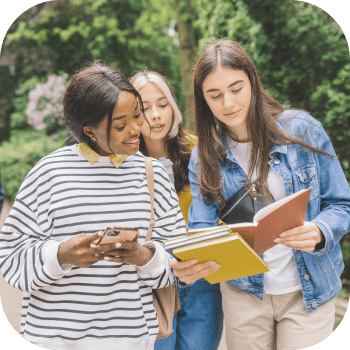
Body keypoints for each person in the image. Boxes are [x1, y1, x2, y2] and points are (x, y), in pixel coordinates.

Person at [176, 39, 350, 350]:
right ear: (203, 100)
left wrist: (320, 230)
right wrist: (193, 260)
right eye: (215, 95)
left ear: (253, 83)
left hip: (309, 289)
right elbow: (200, 229)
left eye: (236, 89)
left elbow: (341, 204)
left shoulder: (303, 130)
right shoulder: (204, 157)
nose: (228, 103)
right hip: (245, 294)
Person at [0, 62, 186, 350]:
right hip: (54, 340)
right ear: (89, 129)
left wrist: (141, 255)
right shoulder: (49, 173)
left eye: (137, 116)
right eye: (121, 125)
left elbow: (177, 260)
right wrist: (61, 255)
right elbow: (10, 257)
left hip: (131, 341)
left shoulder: (153, 175)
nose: (137, 129)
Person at [129, 71, 223, 350]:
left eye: (163, 104)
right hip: (152, 281)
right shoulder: (124, 163)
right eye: (145, 108)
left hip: (202, 276)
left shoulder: (201, 150)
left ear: (173, 106)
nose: (156, 115)